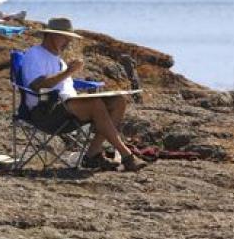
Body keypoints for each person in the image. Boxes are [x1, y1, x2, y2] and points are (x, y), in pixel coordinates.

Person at [21, 17, 147, 172]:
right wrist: (68, 72)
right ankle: (127, 156)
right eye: (65, 37)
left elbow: (65, 86)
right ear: (51, 35)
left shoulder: (59, 60)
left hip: (67, 109)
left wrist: (69, 73)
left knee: (118, 101)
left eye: (70, 38)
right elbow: (38, 86)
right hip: (45, 111)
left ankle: (92, 154)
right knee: (95, 104)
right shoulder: (35, 55)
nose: (68, 42)